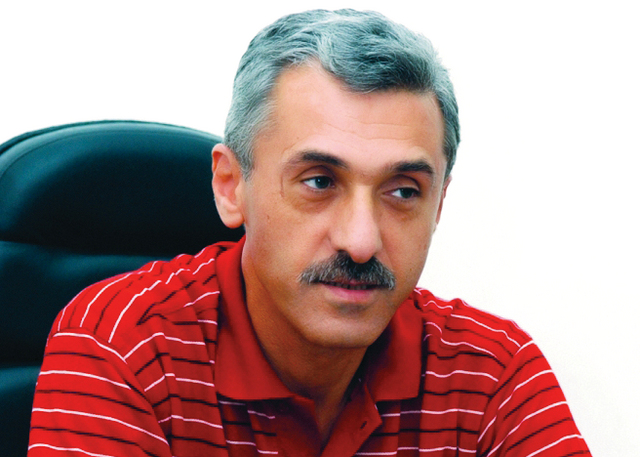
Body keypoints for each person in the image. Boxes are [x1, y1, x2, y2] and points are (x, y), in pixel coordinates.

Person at [28, 9, 591, 457]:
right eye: (320, 181)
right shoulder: (123, 348)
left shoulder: (492, 374)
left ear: (439, 204)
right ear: (231, 186)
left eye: (403, 191)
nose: (361, 242)